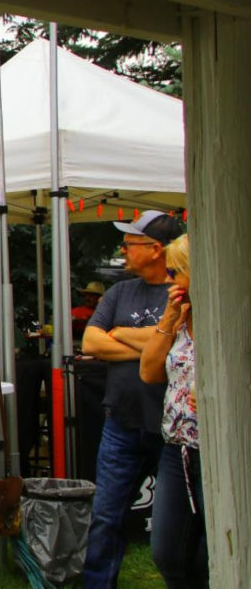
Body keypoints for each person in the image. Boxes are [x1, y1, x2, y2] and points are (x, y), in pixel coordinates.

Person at [81, 209, 182, 588]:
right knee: (107, 515)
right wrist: (156, 345)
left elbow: (179, 349)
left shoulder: (182, 290)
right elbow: (91, 342)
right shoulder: (119, 291)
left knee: (184, 520)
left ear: (155, 249)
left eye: (130, 243)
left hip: (170, 429)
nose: (123, 249)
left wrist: (122, 334)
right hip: (121, 423)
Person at [139, 234, 207, 588]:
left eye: (175, 272)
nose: (168, 279)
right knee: (167, 550)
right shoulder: (181, 318)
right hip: (176, 449)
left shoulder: (224, 319)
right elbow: (148, 372)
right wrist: (169, 317)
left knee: (211, 550)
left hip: (216, 450)